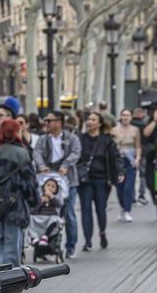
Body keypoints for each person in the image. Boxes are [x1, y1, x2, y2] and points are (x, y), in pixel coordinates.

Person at [0, 118, 37, 267]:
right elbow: (28, 181)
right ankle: (11, 274)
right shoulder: (22, 153)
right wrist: (34, 201)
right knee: (13, 239)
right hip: (15, 203)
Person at [32, 109, 82, 257]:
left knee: (69, 213)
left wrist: (66, 164)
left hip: (68, 181)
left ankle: (71, 246)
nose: (46, 123)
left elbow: (76, 152)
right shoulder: (43, 139)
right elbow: (37, 153)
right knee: (45, 212)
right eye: (46, 120)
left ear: (59, 122)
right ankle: (43, 246)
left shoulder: (71, 138)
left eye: (49, 120)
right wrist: (41, 166)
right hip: (47, 180)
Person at [76, 111, 122, 251]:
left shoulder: (106, 140)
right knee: (85, 210)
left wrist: (120, 172)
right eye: (88, 119)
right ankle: (88, 240)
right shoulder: (80, 139)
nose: (89, 121)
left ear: (99, 123)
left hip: (102, 179)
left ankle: (102, 232)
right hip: (85, 180)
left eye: (93, 119)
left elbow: (115, 157)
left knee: (101, 209)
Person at [112, 108, 141, 222]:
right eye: (123, 115)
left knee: (129, 187)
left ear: (131, 118)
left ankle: (127, 210)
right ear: (120, 116)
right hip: (118, 160)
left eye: (127, 115)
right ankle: (122, 208)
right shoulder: (114, 130)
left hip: (130, 160)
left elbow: (138, 146)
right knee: (120, 187)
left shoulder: (135, 130)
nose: (125, 118)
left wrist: (138, 158)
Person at [139, 107, 157, 205]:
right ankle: (156, 200)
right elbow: (146, 133)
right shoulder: (152, 126)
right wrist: (155, 121)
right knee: (150, 181)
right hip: (152, 157)